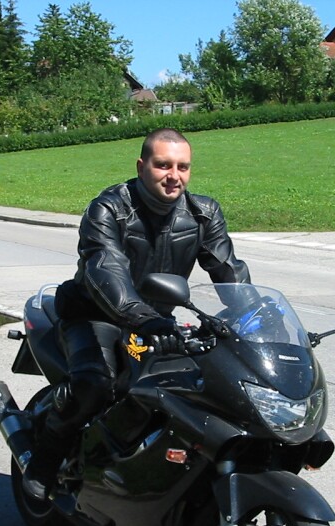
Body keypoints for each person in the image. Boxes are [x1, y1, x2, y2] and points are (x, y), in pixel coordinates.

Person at [23, 128, 251, 500]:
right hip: (95, 313)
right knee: (96, 384)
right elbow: (107, 270)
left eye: (182, 167)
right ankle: (45, 458)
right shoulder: (109, 208)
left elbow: (230, 272)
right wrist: (144, 318)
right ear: (141, 166)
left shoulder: (203, 213)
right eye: (163, 165)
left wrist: (256, 316)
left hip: (156, 322)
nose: (173, 175)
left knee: (194, 389)